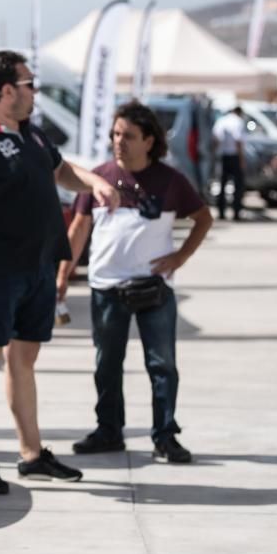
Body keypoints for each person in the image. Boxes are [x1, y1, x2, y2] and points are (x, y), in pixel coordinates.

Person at [0, 50, 120, 494]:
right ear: (5, 90)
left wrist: (93, 181)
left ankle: (31, 454)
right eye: (29, 84)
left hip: (36, 268)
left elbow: (62, 172)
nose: (35, 91)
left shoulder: (30, 134)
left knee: (24, 358)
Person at [58, 101, 213, 464]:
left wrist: (180, 257)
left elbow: (203, 218)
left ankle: (165, 436)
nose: (118, 141)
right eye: (115, 134)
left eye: (127, 135)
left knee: (162, 366)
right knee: (106, 364)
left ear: (149, 140)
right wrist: (63, 274)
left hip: (153, 290)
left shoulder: (171, 181)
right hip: (107, 289)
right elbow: (79, 228)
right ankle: (108, 431)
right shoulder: (97, 178)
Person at [212, 105, 247, 220]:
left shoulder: (221, 121)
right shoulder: (238, 122)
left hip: (223, 156)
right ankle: (236, 212)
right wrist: (242, 160)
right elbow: (238, 141)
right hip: (234, 156)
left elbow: (215, 139)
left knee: (222, 185)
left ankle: (221, 212)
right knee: (237, 185)